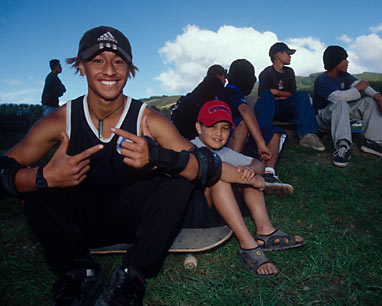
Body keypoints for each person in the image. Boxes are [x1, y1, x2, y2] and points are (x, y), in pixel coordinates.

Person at [0, 26, 222, 306]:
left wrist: (159, 157)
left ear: (129, 70)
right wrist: (44, 177)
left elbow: (209, 165)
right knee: (31, 183)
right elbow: (4, 168)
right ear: (81, 67)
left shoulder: (147, 117)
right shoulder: (60, 120)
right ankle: (78, 270)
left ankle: (134, 272)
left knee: (178, 174)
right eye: (97, 60)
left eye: (118, 62)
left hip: (138, 224)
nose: (109, 70)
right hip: (81, 224)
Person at [188, 100, 304, 277]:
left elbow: (258, 163)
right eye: (212, 126)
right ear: (199, 127)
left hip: (222, 209)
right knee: (219, 175)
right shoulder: (190, 147)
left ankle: (265, 231)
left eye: (225, 128)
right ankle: (247, 244)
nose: (219, 133)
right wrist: (253, 179)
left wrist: (250, 171)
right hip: (197, 213)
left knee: (247, 176)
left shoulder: (225, 152)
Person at [216, 59, 294, 195]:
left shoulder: (233, 93)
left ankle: (269, 174)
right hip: (224, 147)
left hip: (240, 142)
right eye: (251, 77)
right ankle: (233, 172)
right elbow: (245, 111)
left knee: (275, 133)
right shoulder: (229, 91)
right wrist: (261, 143)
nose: (253, 82)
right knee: (244, 123)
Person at [313, 45, 382, 167]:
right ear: (336, 62)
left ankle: (373, 142)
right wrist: (358, 88)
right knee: (341, 103)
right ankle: (343, 146)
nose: (348, 62)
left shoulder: (344, 76)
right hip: (323, 119)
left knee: (370, 102)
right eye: (344, 59)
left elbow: (363, 86)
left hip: (341, 114)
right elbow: (338, 97)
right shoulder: (322, 79)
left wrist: (379, 98)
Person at [255, 42, 325, 152]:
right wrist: (279, 96)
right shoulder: (266, 73)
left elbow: (292, 94)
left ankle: (307, 135)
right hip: (270, 110)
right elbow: (263, 98)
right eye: (287, 53)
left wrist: (276, 93)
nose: (290, 56)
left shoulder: (289, 72)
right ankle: (264, 135)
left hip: (285, 108)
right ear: (278, 55)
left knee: (303, 95)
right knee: (267, 97)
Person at [170, 64, 227, 139]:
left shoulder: (202, 87)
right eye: (224, 77)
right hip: (191, 122)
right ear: (218, 75)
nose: (225, 81)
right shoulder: (215, 82)